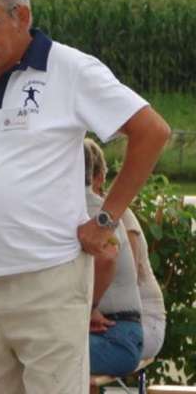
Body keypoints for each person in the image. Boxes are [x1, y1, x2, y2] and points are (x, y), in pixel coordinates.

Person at [0, 0, 170, 394]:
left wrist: (106, 220)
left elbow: (152, 131)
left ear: (22, 16)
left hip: (48, 277)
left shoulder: (71, 69)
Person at [85, 138, 166, 360]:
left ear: (99, 178)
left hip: (142, 322)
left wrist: (90, 308)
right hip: (110, 319)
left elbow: (118, 260)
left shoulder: (116, 216)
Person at [83, 139, 143, 376]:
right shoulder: (99, 207)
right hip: (118, 332)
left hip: (114, 336)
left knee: (30, 352)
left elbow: (107, 258)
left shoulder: (87, 209)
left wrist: (89, 308)